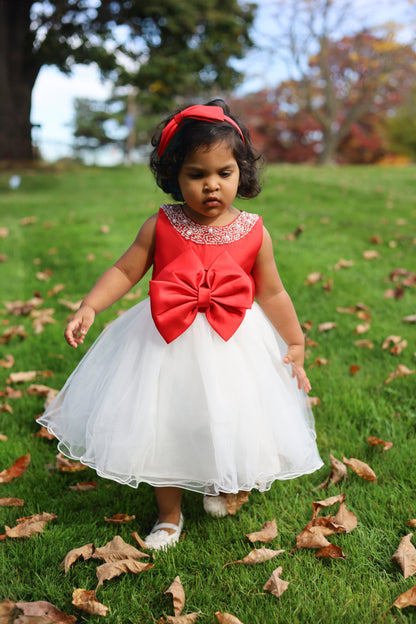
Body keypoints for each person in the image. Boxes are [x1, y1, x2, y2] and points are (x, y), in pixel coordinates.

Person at [38, 100, 323, 551]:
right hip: (164, 342)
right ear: (175, 175)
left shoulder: (254, 231)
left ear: (241, 173)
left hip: (233, 344)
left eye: (224, 173)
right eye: (197, 174)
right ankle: (169, 517)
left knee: (221, 417)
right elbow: (126, 270)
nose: (212, 186)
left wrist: (294, 340)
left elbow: (271, 292)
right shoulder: (161, 224)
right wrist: (89, 305)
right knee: (164, 424)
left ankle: (217, 482)